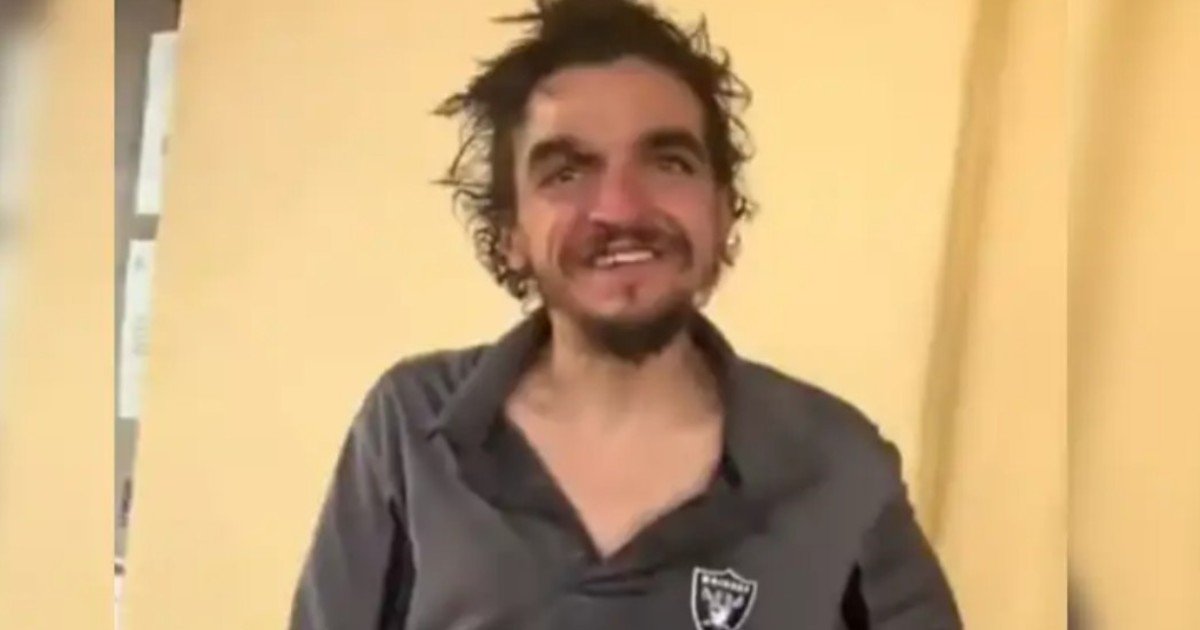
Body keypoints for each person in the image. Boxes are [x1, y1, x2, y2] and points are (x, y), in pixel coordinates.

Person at [290, 1, 960, 628]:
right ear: (511, 232)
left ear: (722, 210)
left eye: (668, 162)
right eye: (566, 172)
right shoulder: (410, 428)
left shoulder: (838, 463)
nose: (620, 208)